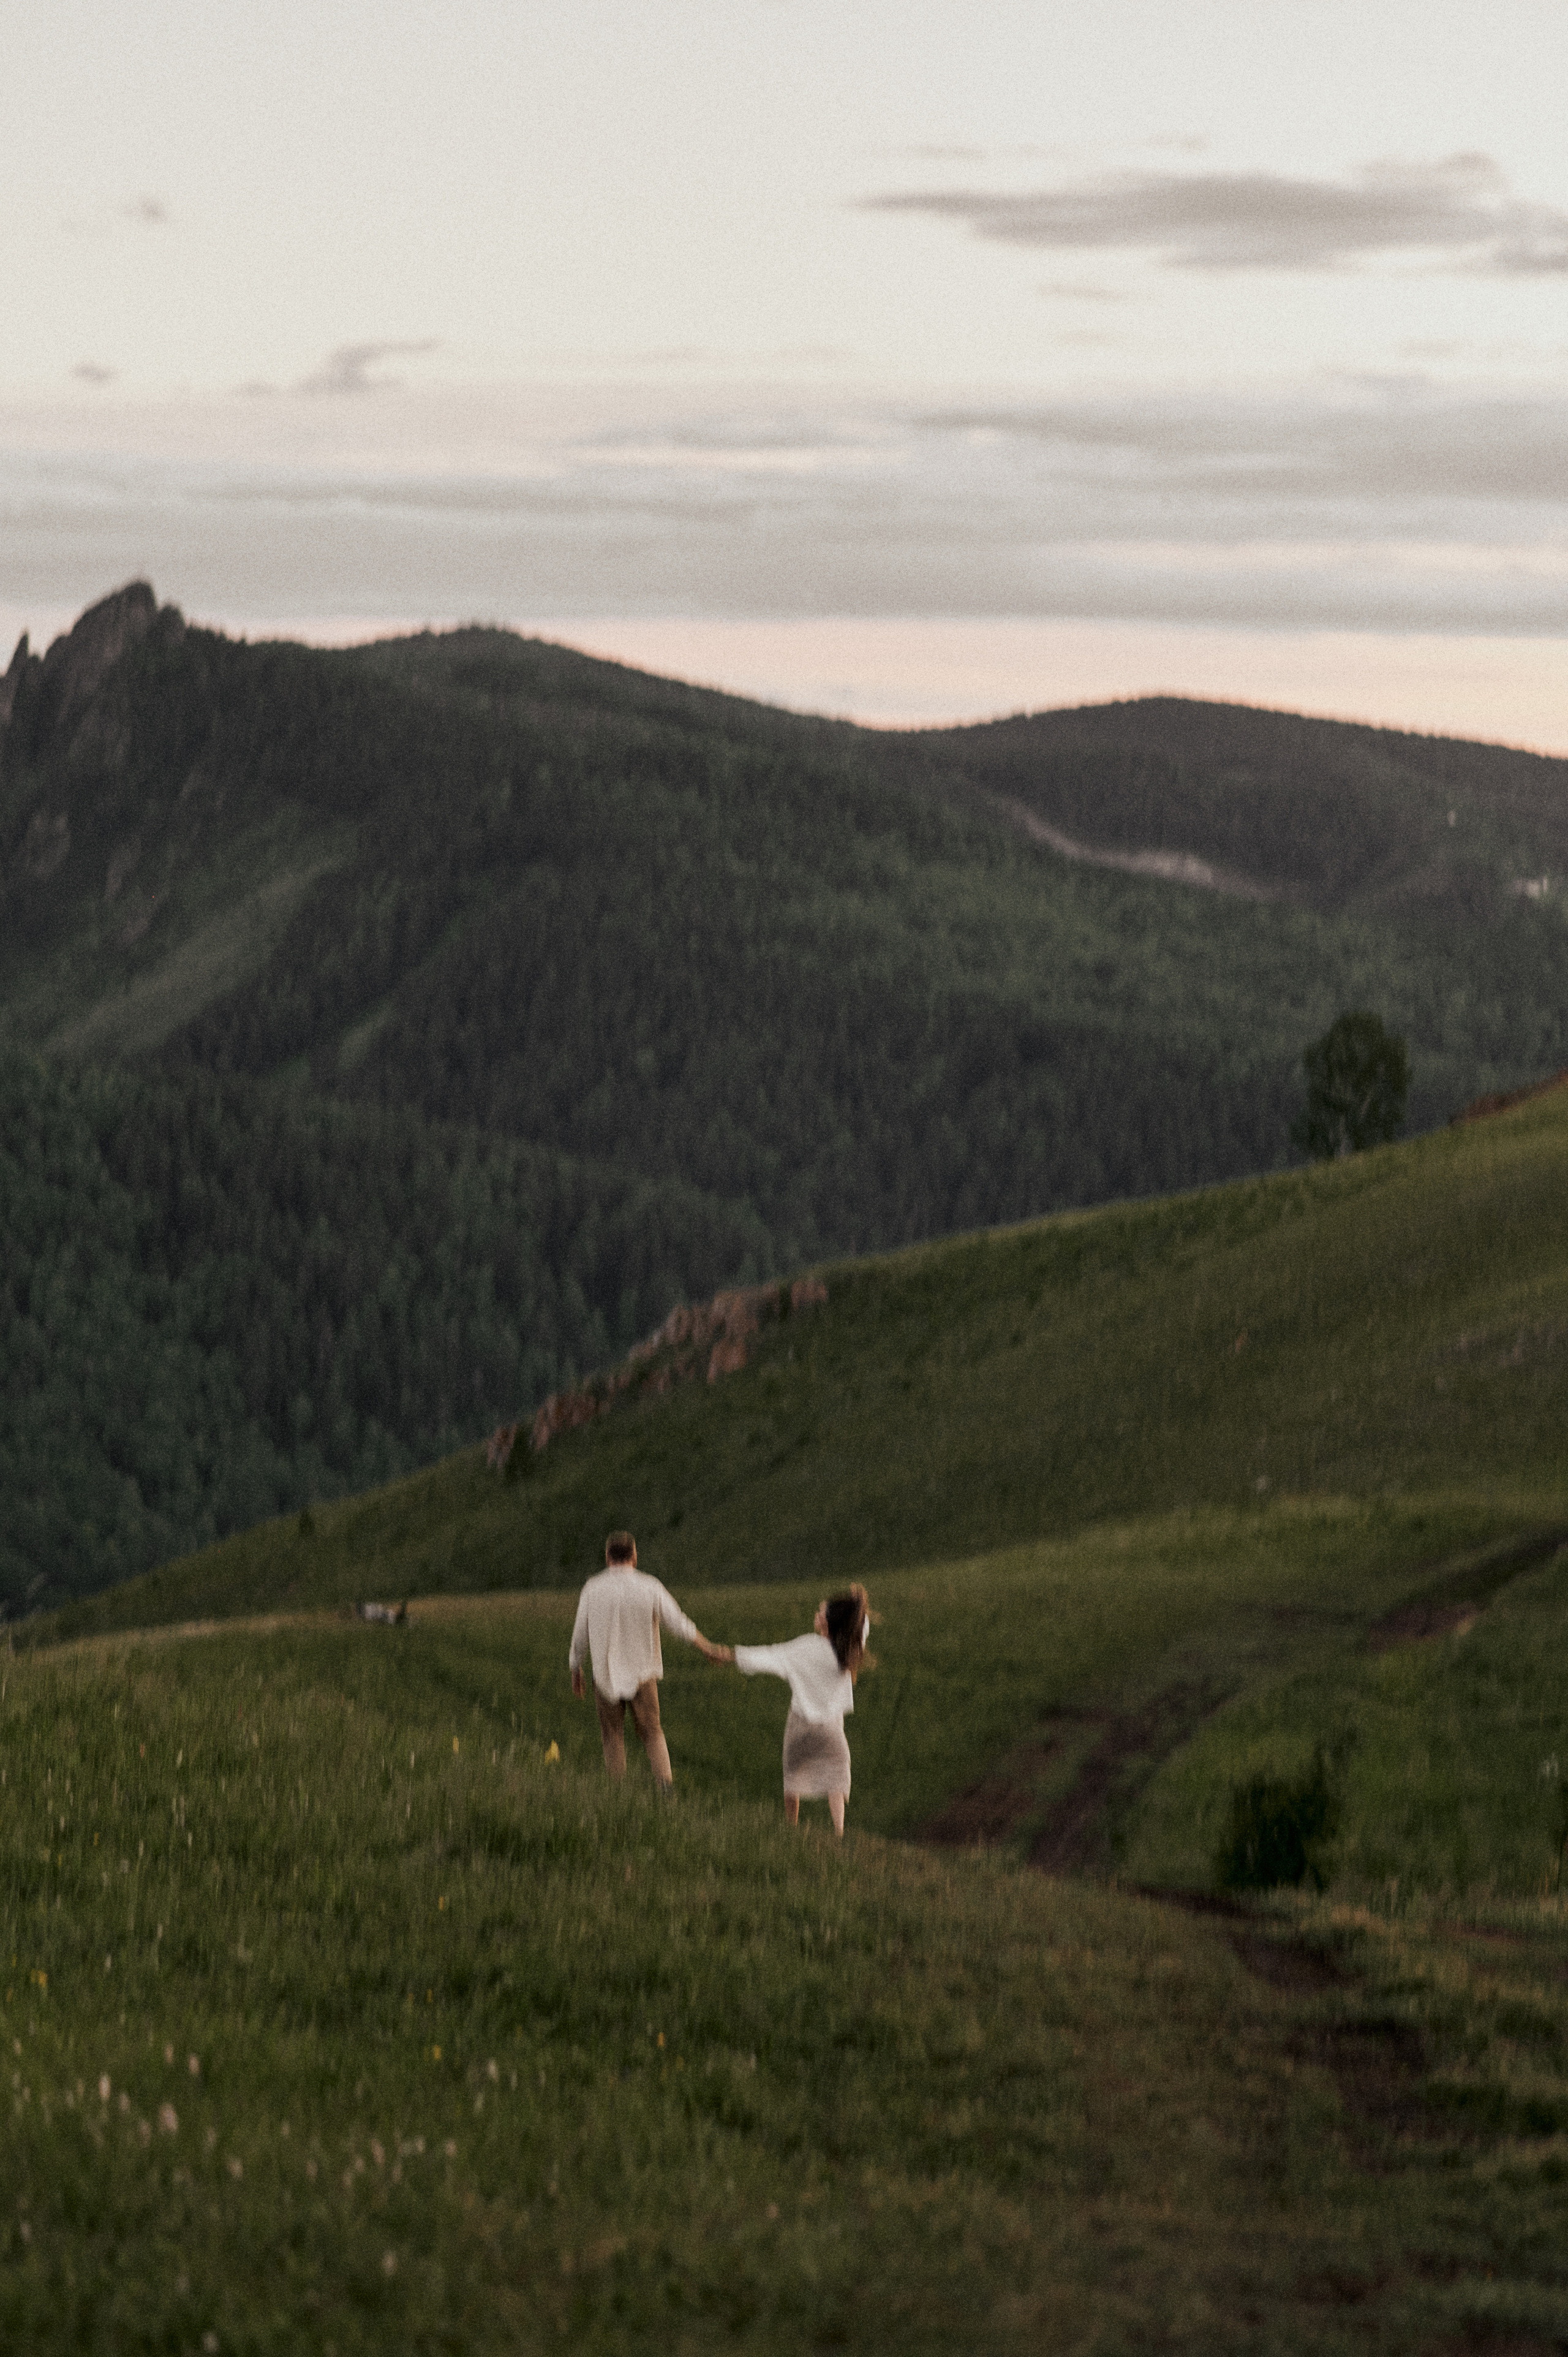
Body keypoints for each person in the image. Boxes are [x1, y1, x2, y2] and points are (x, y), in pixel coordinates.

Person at [568, 1532, 731, 1787]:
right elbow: (679, 1623)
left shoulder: (593, 1588)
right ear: (634, 1556)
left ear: (608, 1557)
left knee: (612, 1736)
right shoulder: (650, 1586)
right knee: (653, 1733)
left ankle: (617, 1795)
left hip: (604, 1674)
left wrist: (575, 1668)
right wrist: (707, 1647)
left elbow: (580, 1634)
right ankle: (666, 1790)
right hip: (643, 1672)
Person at [733, 1585, 873, 1836]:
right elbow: (862, 1627)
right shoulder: (848, 1651)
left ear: (828, 1622)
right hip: (832, 1729)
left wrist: (734, 1655)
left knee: (792, 1777)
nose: (817, 1613)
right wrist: (857, 1604)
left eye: (821, 1611)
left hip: (800, 1724)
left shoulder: (806, 1647)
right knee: (837, 1778)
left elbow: (770, 1656)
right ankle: (839, 1832)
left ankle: (791, 1828)